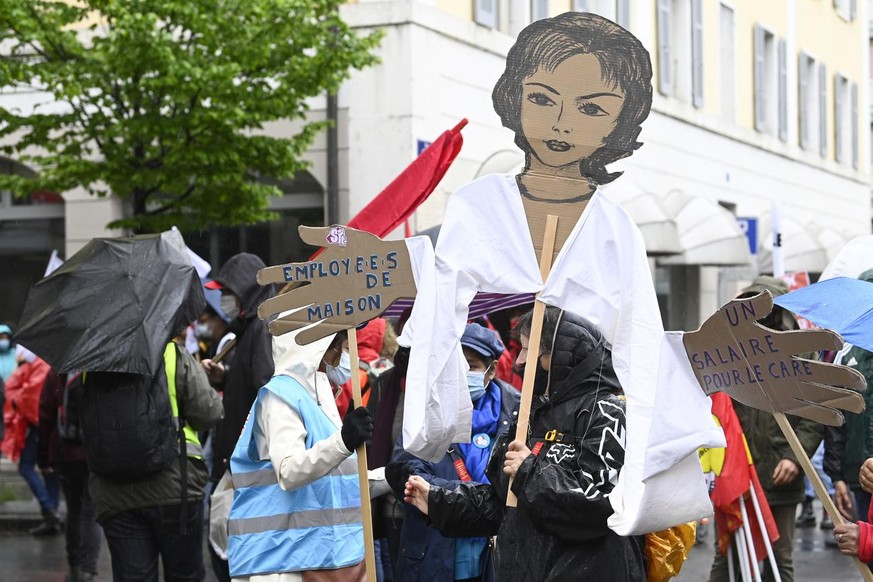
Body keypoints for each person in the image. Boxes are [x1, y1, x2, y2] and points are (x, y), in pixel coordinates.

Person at [402, 307, 645, 581]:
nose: (518, 361)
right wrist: (440, 503)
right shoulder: (528, 413)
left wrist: (529, 470)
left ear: (557, 354)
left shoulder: (608, 412)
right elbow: (506, 503)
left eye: (527, 349)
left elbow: (600, 506)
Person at [227, 329, 383, 581]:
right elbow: (289, 472)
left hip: (310, 556)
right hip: (278, 562)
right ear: (320, 348)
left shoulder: (317, 398)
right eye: (342, 349)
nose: (346, 357)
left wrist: (391, 477)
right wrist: (343, 441)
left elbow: (336, 483)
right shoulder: (280, 396)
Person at [708, 276, 824, 582]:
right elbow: (717, 411)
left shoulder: (801, 354)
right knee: (728, 557)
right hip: (738, 475)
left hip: (780, 476)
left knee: (778, 558)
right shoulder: (730, 356)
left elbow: (814, 416)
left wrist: (794, 458)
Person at [387, 322, 519, 582]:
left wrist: (448, 495)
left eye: (471, 365)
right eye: (455, 363)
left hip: (496, 559)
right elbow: (405, 470)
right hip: (434, 553)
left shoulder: (517, 412)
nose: (462, 372)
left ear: (491, 371)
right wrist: (462, 500)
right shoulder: (426, 406)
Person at [87, 339, 223, 582]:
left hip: (116, 495)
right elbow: (208, 413)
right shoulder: (171, 353)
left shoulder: (90, 362)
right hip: (176, 485)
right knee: (185, 575)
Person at [202, 253, 274, 582]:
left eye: (229, 292)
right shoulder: (249, 329)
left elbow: (264, 395)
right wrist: (225, 377)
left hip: (247, 471)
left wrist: (250, 464)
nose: (224, 300)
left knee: (231, 559)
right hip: (239, 466)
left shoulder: (260, 329)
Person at [37, 369, 101, 582]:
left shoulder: (58, 369)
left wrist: (43, 455)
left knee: (74, 510)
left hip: (66, 451)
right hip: (95, 451)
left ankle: (74, 568)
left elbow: (45, 412)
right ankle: (89, 570)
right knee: (91, 512)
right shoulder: (100, 367)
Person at [1, 347, 58, 535]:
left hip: (40, 426)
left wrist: (16, 398)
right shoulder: (38, 366)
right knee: (47, 469)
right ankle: (51, 512)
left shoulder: (39, 368)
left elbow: (28, 397)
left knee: (29, 467)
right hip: (43, 426)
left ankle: (49, 509)